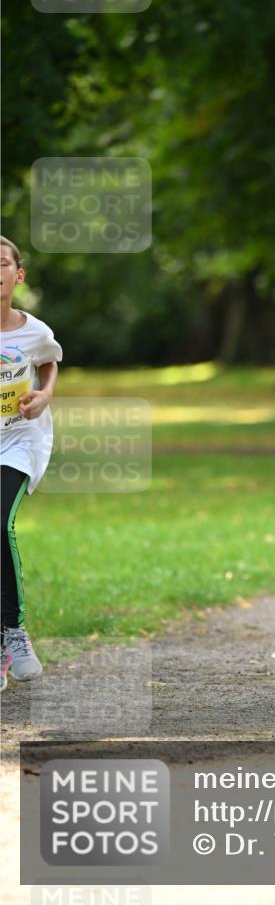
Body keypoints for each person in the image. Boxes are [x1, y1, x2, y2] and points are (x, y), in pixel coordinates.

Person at [1, 236, 62, 691]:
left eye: (2, 265)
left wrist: (44, 396)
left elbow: (51, 361)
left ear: (18, 275)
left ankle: (13, 630)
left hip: (19, 440)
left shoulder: (34, 331)